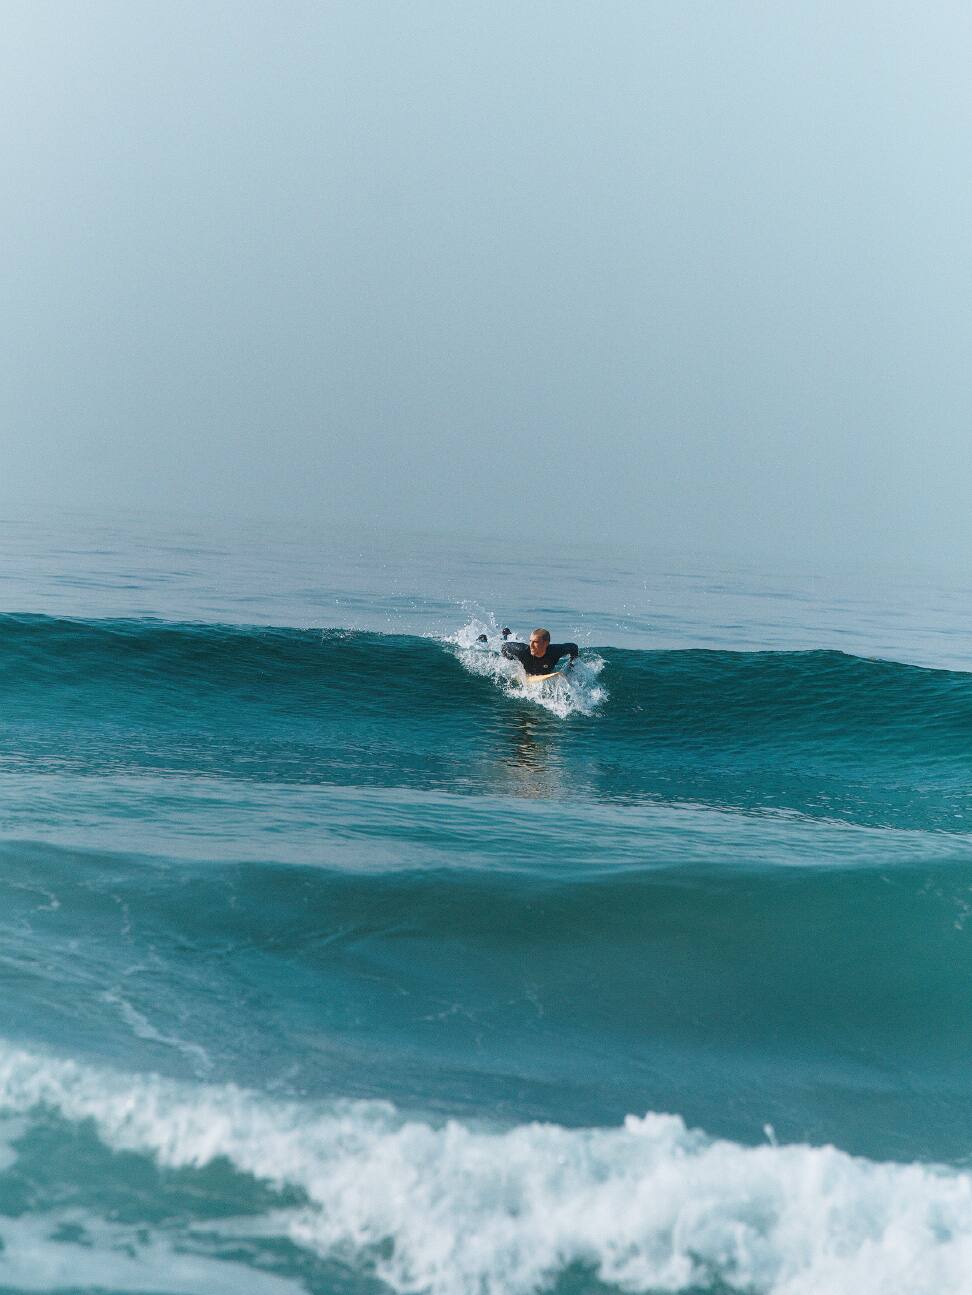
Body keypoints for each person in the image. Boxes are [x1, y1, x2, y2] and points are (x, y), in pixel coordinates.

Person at [501, 628, 578, 677]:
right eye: (530, 641)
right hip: (517, 652)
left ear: (546, 643)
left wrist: (570, 666)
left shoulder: (555, 651)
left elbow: (574, 647)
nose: (531, 645)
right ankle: (507, 634)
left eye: (535, 642)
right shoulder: (523, 651)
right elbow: (504, 646)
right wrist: (511, 663)